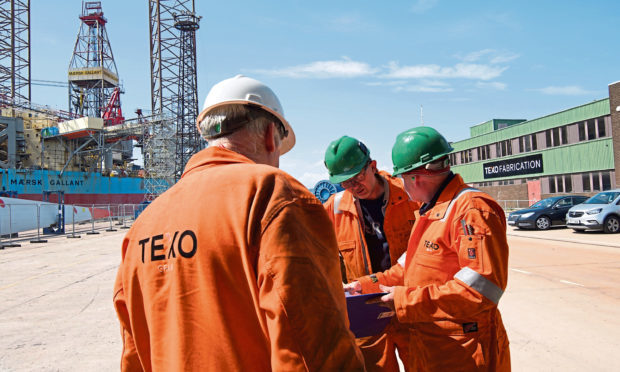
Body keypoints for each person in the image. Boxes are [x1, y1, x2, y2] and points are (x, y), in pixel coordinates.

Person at [113, 75, 365, 371]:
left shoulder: (145, 223)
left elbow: (133, 353)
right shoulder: (272, 194)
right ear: (271, 134)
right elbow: (312, 348)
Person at [345, 126, 511, 371]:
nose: (403, 186)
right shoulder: (430, 212)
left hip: (465, 351)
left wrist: (404, 300)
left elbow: (480, 291)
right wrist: (364, 286)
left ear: (416, 177)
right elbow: (405, 270)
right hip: (435, 346)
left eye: (403, 178)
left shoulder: (471, 211)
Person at [323, 136, 419, 371]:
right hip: (366, 310)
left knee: (422, 364)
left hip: (408, 303)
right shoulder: (335, 209)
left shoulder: (410, 196)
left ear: (373, 166)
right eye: (346, 182)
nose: (354, 187)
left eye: (358, 177)